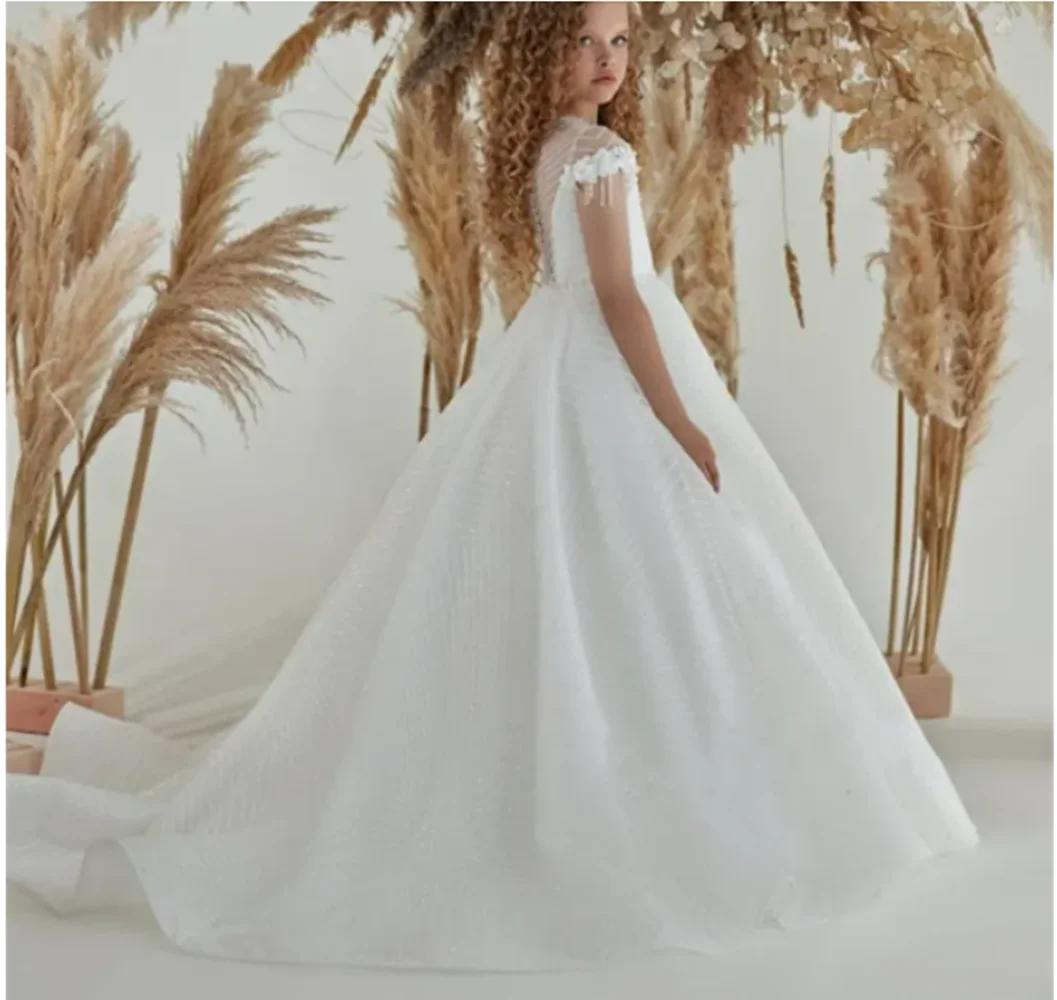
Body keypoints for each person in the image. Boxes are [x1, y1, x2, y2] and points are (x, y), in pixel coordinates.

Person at [8, 1, 979, 972]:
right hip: (601, 362)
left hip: (549, 361)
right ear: (542, 58)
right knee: (652, 567)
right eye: (585, 43)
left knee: (580, 570)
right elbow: (618, 292)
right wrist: (680, 416)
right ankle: (647, 789)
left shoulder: (552, 148)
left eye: (620, 43)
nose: (606, 62)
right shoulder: (601, 159)